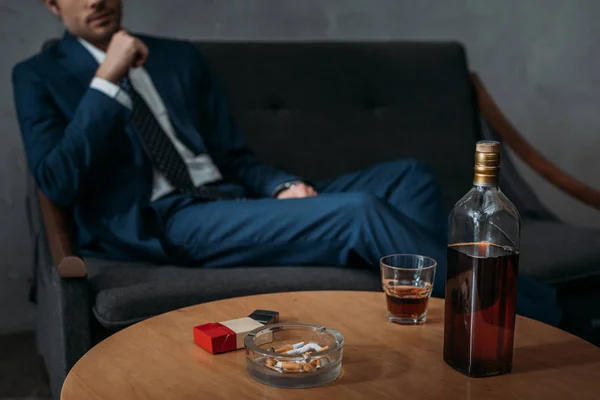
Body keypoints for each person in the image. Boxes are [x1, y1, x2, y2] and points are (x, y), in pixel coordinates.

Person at [13, 0, 560, 324]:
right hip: (170, 220)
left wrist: (282, 184)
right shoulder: (36, 77)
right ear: (51, 4)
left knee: (409, 175)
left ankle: (417, 318)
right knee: (360, 211)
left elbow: (231, 155)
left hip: (231, 199)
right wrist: (107, 79)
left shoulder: (176, 56)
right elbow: (58, 181)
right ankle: (535, 313)